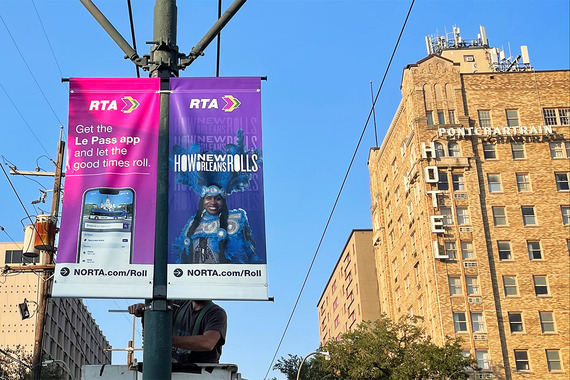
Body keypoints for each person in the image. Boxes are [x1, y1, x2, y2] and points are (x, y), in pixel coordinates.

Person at [172, 184, 260, 264]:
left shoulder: (236, 219)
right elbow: (182, 256)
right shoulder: (192, 223)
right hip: (196, 278)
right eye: (208, 198)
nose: (213, 202)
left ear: (223, 201)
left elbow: (248, 253)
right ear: (203, 201)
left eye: (218, 199)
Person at [128, 300, 227, 364]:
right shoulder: (177, 305)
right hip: (173, 371)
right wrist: (147, 311)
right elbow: (155, 326)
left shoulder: (216, 313)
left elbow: (207, 342)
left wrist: (163, 340)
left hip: (202, 373)